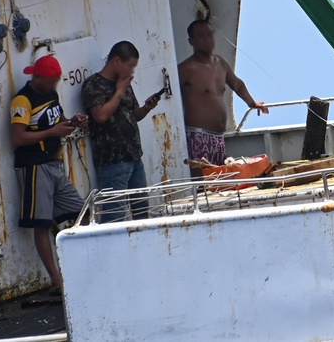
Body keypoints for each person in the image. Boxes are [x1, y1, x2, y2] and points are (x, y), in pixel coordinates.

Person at [10, 55, 88, 297]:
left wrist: (73, 122)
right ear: (39, 77)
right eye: (53, 80)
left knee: (83, 211)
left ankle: (77, 268)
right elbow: (18, 137)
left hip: (53, 164)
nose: (56, 84)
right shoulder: (23, 100)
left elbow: (58, 120)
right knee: (41, 223)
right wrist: (52, 131)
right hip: (34, 165)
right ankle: (56, 280)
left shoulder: (50, 95)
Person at [82, 41, 161, 223]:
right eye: (130, 66)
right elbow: (101, 115)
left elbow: (134, 115)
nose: (132, 72)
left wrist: (147, 108)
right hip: (112, 162)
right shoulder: (93, 85)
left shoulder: (124, 85)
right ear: (116, 61)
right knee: (114, 217)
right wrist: (119, 91)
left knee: (141, 213)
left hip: (134, 157)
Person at [179, 20, 267, 169]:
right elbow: (170, 95)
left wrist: (251, 102)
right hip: (197, 137)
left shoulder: (221, 63)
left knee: (220, 182)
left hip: (219, 138)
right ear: (191, 41)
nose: (207, 39)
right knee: (203, 184)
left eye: (209, 34)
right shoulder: (186, 69)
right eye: (201, 36)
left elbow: (237, 84)